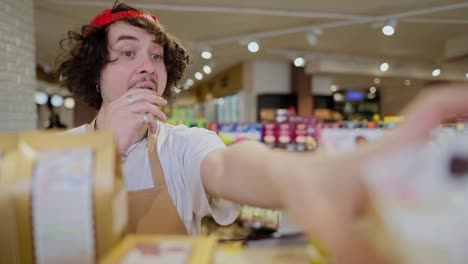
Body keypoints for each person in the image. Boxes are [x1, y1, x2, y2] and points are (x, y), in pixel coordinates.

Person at [57, 1, 468, 263]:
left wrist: (305, 176)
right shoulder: (52, 153)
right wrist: (105, 149)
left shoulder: (181, 144)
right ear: (96, 73)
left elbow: (232, 164)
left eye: (156, 55)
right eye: (128, 52)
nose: (148, 65)